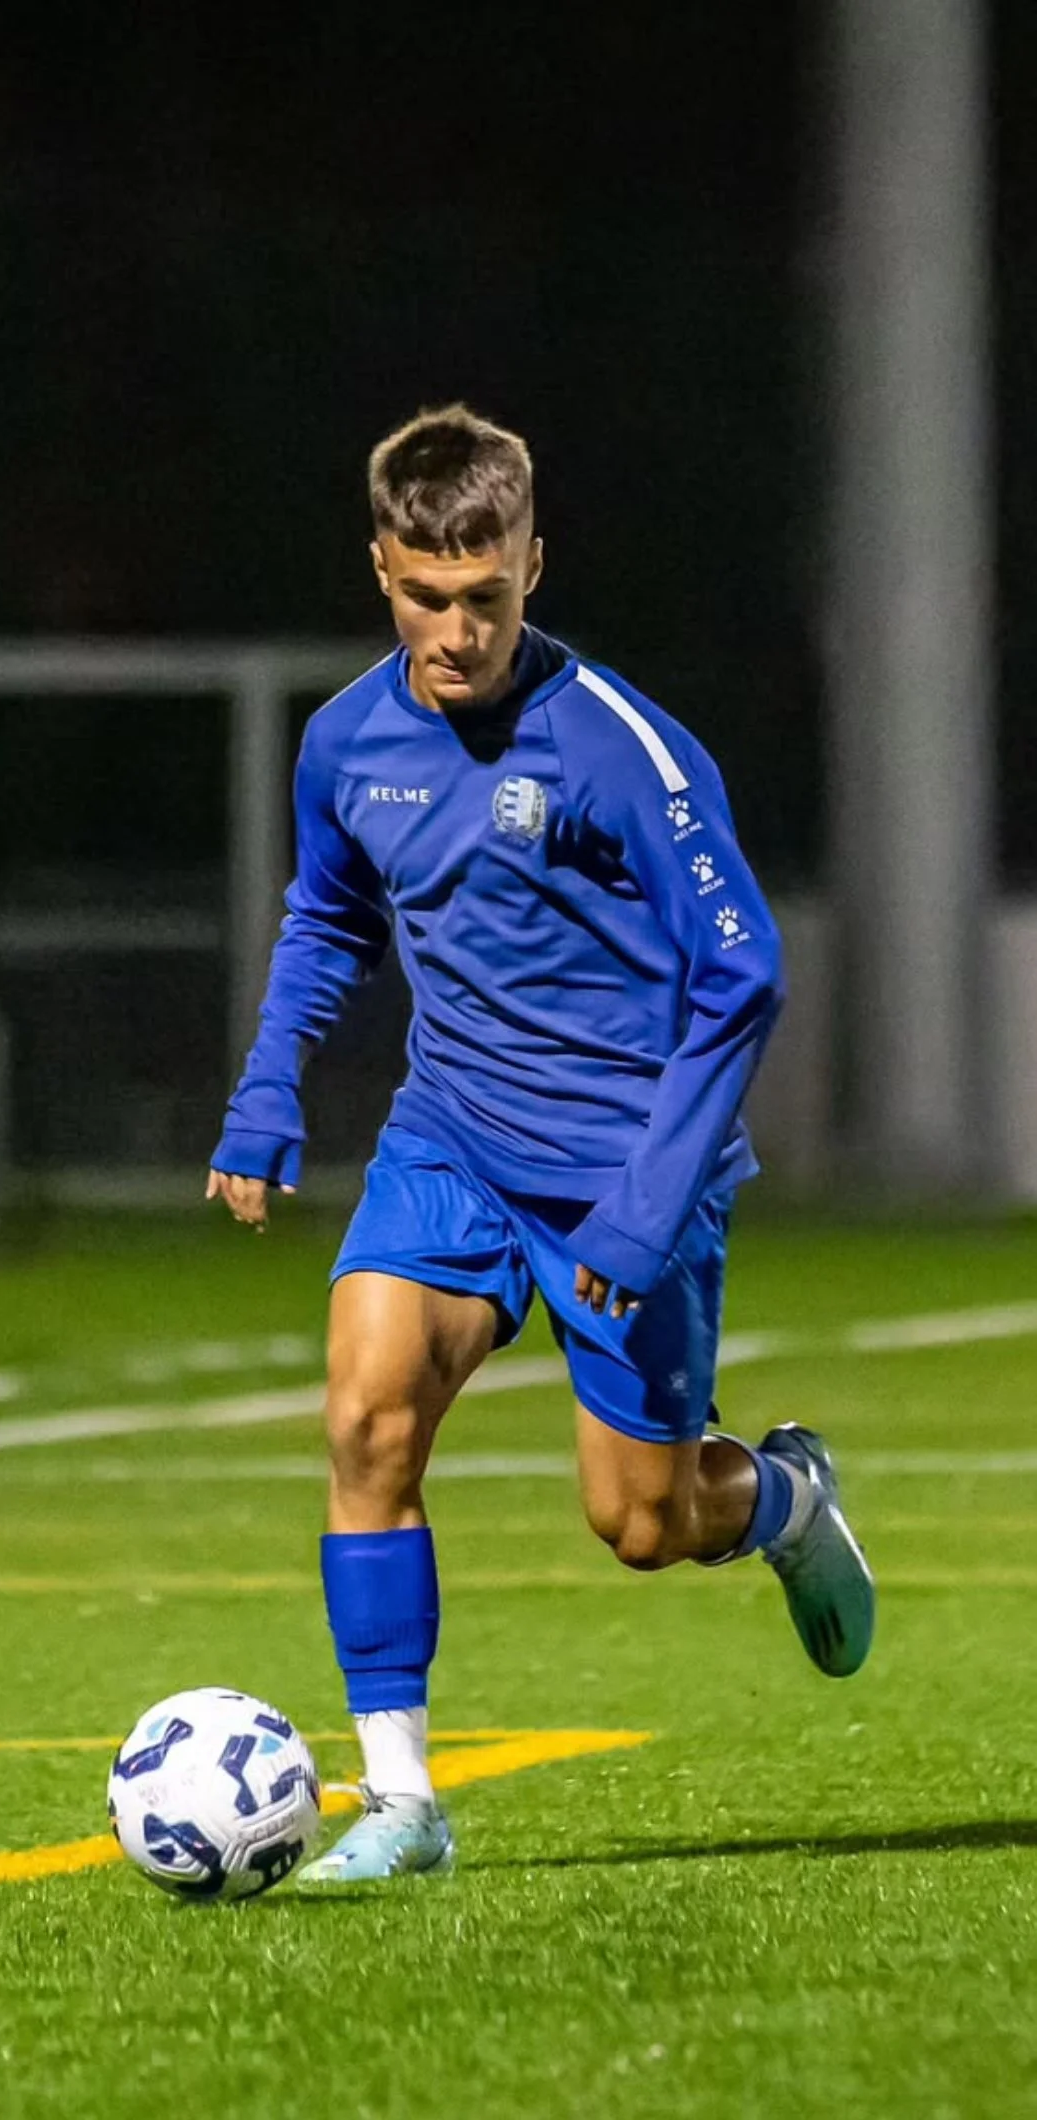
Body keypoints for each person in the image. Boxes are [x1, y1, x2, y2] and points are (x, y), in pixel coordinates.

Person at [207, 403, 874, 1883]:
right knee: (366, 1415)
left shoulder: (623, 747)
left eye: (487, 598)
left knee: (638, 1524)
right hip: (448, 1138)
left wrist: (640, 1221)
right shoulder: (345, 743)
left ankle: (779, 1499)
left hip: (625, 1172)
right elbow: (329, 918)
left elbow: (741, 971)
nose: (456, 632)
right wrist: (268, 1096)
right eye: (424, 597)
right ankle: (400, 1803)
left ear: (533, 567)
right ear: (381, 570)